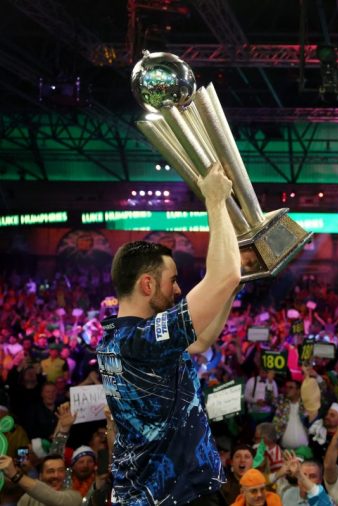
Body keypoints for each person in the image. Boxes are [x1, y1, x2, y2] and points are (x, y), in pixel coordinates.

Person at [96, 162, 242, 505]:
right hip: (173, 495)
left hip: (160, 491)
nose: (178, 290)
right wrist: (215, 200)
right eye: (173, 280)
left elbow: (202, 340)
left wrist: (231, 290)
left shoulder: (114, 338)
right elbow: (225, 275)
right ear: (147, 284)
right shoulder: (143, 339)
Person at [0, 454, 82, 506]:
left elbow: (56, 499)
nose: (56, 475)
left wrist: (15, 475)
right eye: (50, 471)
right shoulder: (28, 498)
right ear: (40, 476)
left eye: (61, 470)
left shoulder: (74, 497)